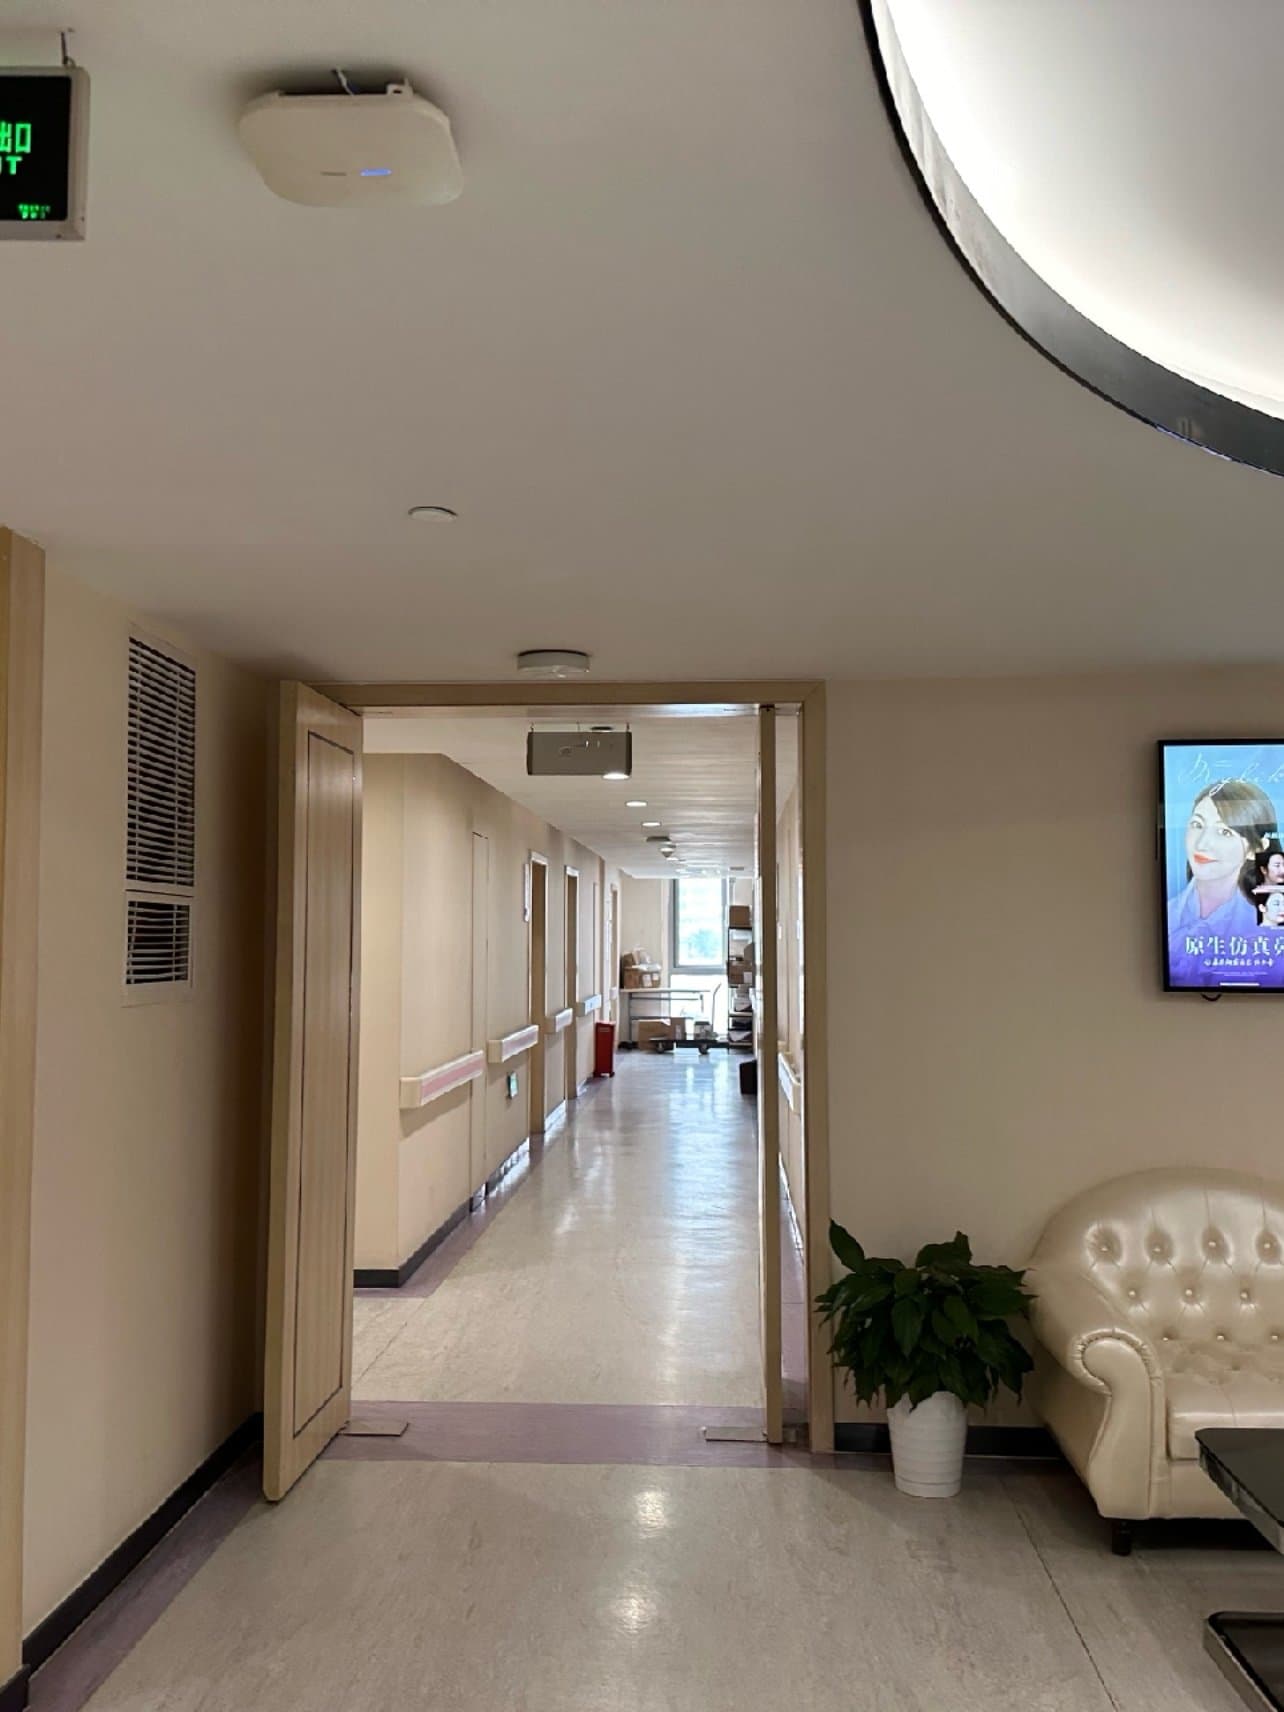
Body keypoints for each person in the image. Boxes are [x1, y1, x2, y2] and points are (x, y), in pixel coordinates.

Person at [1167, 778, 1280, 987]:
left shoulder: (1273, 922)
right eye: (1197, 825)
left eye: (1224, 832)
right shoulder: (1169, 917)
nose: (1202, 843)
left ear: (1256, 848)